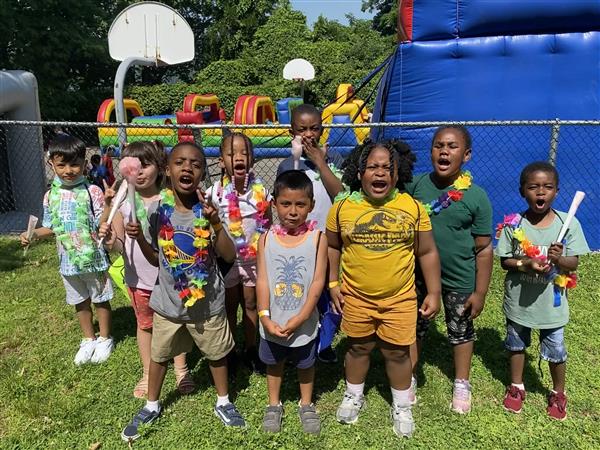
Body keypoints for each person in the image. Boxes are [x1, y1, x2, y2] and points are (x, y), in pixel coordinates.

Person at [120, 142, 246, 442]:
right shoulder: (158, 211)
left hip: (207, 303)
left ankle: (223, 401)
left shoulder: (209, 210)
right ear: (167, 169)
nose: (187, 168)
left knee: (216, 355)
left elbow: (229, 255)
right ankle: (152, 405)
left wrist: (215, 222)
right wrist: (140, 240)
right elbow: (156, 259)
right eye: (179, 162)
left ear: (202, 173)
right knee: (159, 355)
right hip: (168, 302)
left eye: (195, 164)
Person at [327, 139, 441, 438]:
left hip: (399, 299)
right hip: (356, 297)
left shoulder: (412, 208)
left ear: (397, 173)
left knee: (397, 353)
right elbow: (332, 246)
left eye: (387, 167)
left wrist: (434, 292)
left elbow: (427, 252)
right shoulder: (342, 208)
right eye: (372, 167)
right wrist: (333, 283)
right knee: (358, 347)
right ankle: (354, 395)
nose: (379, 173)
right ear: (359, 173)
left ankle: (402, 405)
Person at [405, 125, 493, 414]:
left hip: (459, 277)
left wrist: (480, 292)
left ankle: (461, 382)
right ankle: (410, 375)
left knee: (461, 329)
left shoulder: (476, 197)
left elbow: (483, 248)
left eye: (452, 146)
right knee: (414, 326)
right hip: (418, 275)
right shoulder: (415, 186)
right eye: (438, 145)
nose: (444, 151)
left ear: (466, 155)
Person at [98, 141, 195, 399]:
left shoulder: (169, 200)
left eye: (146, 164)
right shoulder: (123, 205)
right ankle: (147, 372)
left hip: (170, 278)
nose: (139, 171)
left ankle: (181, 369)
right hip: (138, 279)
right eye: (133, 165)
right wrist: (110, 240)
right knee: (145, 325)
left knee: (176, 323)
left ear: (160, 167)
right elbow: (118, 245)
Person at [496, 161, 589, 421]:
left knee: (556, 350)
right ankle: (517, 386)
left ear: (556, 192)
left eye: (547, 187)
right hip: (519, 302)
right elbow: (505, 261)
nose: (540, 192)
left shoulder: (567, 224)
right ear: (522, 191)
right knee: (516, 344)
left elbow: (573, 263)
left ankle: (558, 392)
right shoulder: (514, 225)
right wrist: (525, 264)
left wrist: (559, 259)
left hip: (552, 305)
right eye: (533, 187)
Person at [20, 134, 114, 365]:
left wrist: (108, 204)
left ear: (84, 163)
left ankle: (104, 338)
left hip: (93, 257)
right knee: (79, 300)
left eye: (74, 164)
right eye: (61, 165)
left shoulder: (92, 191)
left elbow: (101, 222)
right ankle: (88, 338)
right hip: (68, 260)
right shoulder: (50, 195)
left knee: (100, 298)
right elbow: (50, 227)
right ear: (51, 163)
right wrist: (32, 234)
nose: (68, 170)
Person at [256, 170, 328, 434]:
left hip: (304, 322)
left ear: (311, 205)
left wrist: (302, 316)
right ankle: (273, 404)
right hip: (272, 321)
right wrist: (265, 317)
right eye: (286, 204)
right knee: (273, 363)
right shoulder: (265, 239)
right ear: (274, 204)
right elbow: (263, 281)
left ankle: (306, 403)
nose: (293, 211)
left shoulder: (318, 239)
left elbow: (317, 283)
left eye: (300, 204)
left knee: (306, 364)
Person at [277, 103, 344, 363]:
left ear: (322, 130)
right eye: (301, 129)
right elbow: (288, 194)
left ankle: (325, 341)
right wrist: (297, 160)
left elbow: (341, 195)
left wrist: (320, 161)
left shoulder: (334, 159)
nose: (308, 134)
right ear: (291, 131)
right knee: (302, 290)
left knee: (329, 291)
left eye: (314, 128)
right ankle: (300, 341)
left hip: (329, 240)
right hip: (300, 241)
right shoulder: (287, 164)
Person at [207, 133, 272, 375]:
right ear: (221, 161)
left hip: (253, 260)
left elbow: (267, 223)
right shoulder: (215, 192)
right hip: (227, 260)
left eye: (245, 153)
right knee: (230, 304)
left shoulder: (261, 191)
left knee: (251, 304)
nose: (239, 157)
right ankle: (231, 350)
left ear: (252, 159)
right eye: (232, 153)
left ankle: (252, 348)